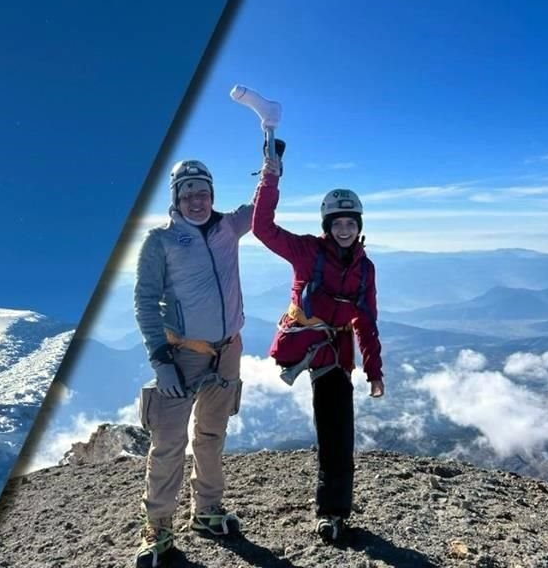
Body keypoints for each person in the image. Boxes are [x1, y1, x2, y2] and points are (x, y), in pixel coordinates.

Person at [251, 149, 384, 543]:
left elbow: (367, 321)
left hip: (336, 355)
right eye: (337, 222)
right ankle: (331, 512)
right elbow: (263, 228)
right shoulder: (307, 251)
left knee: (337, 432)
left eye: (350, 222)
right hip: (309, 343)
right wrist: (270, 178)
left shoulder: (365, 267)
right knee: (335, 428)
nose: (344, 229)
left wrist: (374, 371)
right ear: (327, 225)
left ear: (357, 226)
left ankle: (333, 513)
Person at [132, 159, 250, 567]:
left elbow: (263, 208)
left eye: (203, 193)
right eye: (188, 194)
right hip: (182, 355)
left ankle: (207, 512)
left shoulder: (228, 227)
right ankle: (158, 528)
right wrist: (160, 359)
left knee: (211, 436)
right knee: (168, 442)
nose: (196, 201)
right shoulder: (159, 242)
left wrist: (272, 165)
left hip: (228, 351)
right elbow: (145, 302)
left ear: (212, 195)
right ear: (176, 199)